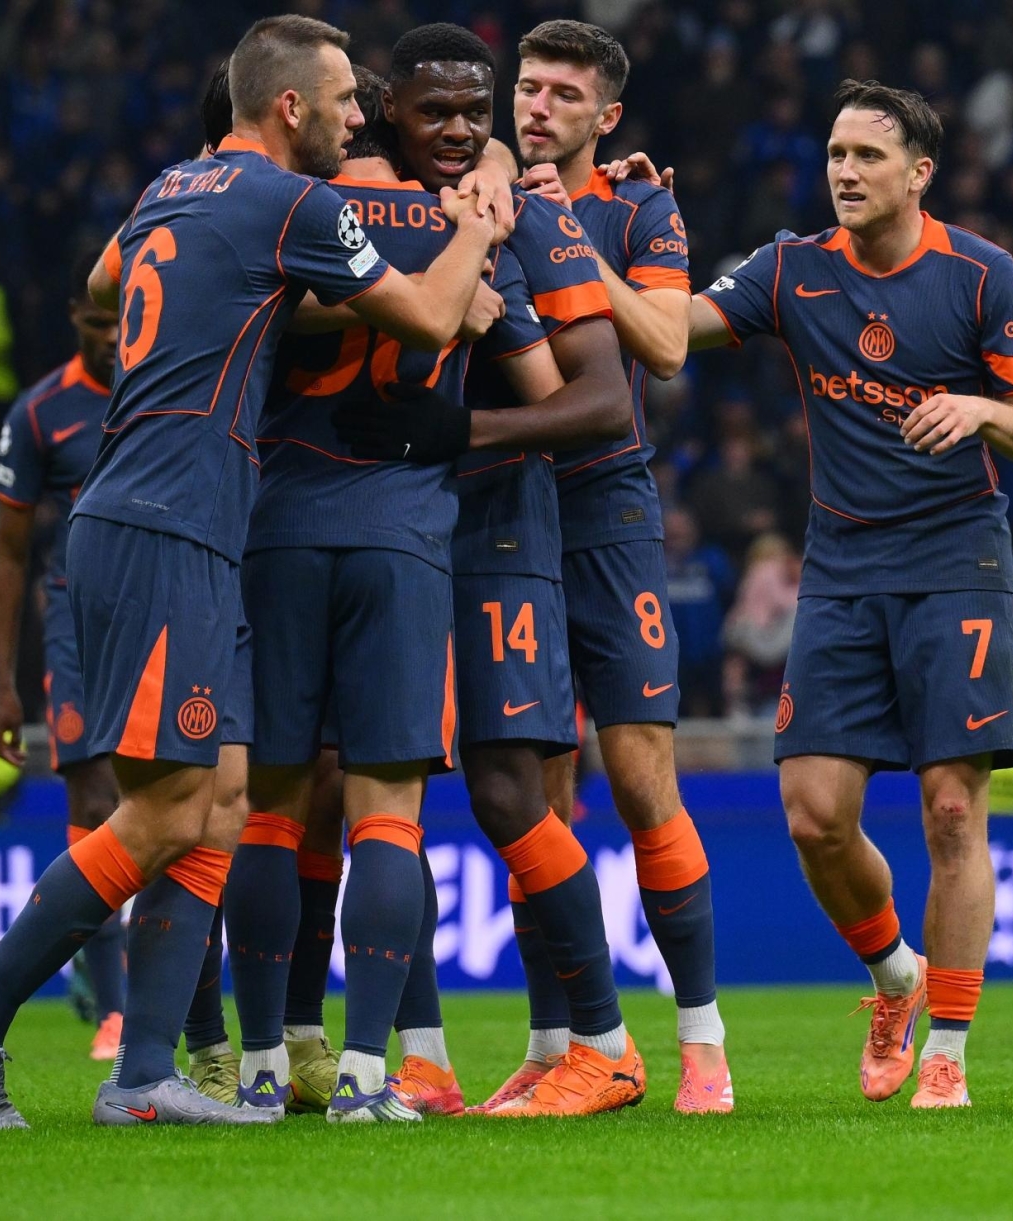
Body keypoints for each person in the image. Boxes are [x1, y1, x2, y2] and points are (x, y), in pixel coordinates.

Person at [0, 13, 495, 1129]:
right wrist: (472, 229)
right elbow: (423, 314)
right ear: (290, 109)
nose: (359, 116)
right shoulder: (291, 204)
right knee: (168, 811)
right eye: (341, 101)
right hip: (165, 519)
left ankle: (144, 1080)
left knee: (221, 801)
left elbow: (106, 273)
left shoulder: (170, 189)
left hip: (185, 520)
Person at [672, 79, 1013, 1108]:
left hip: (956, 562)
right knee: (813, 814)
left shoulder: (980, 274)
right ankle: (895, 972)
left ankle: (950, 1049)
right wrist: (602, 234)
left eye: (867, 157)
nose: (844, 172)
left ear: (919, 173)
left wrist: (979, 408)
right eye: (836, 154)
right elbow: (672, 331)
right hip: (841, 569)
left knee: (949, 808)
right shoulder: (793, 269)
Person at [328, 24, 646, 1120]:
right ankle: (420, 1058)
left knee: (511, 791)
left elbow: (602, 398)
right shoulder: (360, 213)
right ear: (391, 115)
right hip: (388, 530)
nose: (463, 132)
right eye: (440, 112)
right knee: (382, 787)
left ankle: (604, 1045)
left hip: (501, 532)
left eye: (479, 112)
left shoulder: (533, 222)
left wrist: (451, 434)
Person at [221, 39, 513, 1123]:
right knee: (388, 814)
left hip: (277, 527)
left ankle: (258, 1069)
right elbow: (520, 363)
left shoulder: (287, 212)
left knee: (269, 812)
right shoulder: (460, 221)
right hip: (401, 534)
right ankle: (366, 1077)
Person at [508, 17, 732, 1115]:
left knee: (644, 782)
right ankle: (561, 1046)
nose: (535, 105)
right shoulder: (475, 189)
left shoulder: (641, 206)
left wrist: (568, 237)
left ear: (607, 117)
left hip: (607, 506)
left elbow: (669, 345)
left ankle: (702, 1043)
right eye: (527, 86)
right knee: (534, 790)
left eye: (561, 92)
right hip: (504, 511)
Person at [0, 249, 124, 1061]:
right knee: (96, 795)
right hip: (74, 620)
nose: (110, 336)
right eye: (96, 321)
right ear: (76, 317)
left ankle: (155, 985)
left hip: (167, 610)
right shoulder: (43, 412)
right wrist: (3, 685)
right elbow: (6, 552)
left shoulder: (166, 392)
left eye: (119, 319)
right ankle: (114, 1004)